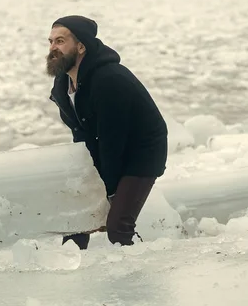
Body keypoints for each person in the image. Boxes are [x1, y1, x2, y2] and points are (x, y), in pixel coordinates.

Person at [45, 15, 168, 249]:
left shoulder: (109, 80)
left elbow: (113, 139)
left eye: (60, 41)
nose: (53, 48)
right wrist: (86, 178)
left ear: (81, 47)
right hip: (105, 148)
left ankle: (135, 275)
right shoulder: (62, 85)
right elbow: (81, 132)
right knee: (76, 220)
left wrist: (109, 191)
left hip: (142, 153)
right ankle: (74, 275)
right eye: (50, 42)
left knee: (117, 227)